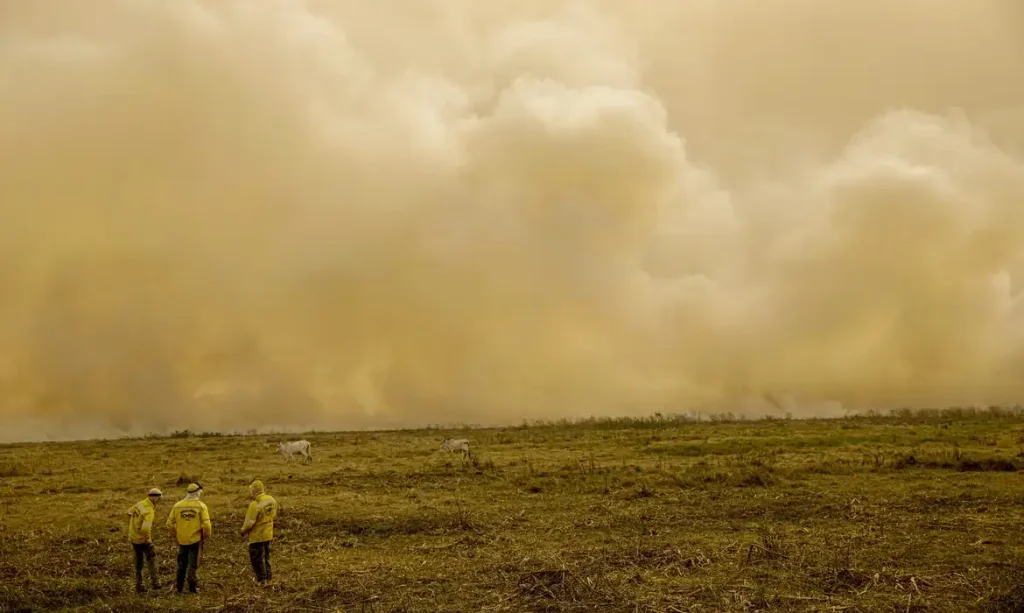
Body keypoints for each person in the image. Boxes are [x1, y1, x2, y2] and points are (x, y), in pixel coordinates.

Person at [165, 482, 212, 594]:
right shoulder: (201, 506)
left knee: (181, 565)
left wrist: (175, 536)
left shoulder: (177, 506)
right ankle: (192, 588)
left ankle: (179, 588)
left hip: (181, 540)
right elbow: (206, 525)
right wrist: (206, 535)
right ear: (198, 492)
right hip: (195, 540)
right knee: (193, 564)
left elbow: (169, 523)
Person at [239, 479, 277, 585]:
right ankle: (269, 578)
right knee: (266, 557)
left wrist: (242, 532)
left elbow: (249, 524)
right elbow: (274, 515)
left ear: (254, 490)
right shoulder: (272, 500)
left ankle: (262, 580)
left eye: (251, 490)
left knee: (257, 559)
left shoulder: (254, 504)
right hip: (268, 534)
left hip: (257, 537)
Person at [127, 488, 163, 592]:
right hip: (143, 540)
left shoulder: (140, 504)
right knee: (152, 560)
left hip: (133, 537)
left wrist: (135, 523)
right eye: (159, 497)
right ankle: (156, 584)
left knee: (139, 562)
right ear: (153, 497)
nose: (160, 499)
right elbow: (146, 529)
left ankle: (139, 585)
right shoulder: (149, 511)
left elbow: (129, 511)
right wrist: (148, 540)